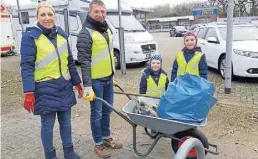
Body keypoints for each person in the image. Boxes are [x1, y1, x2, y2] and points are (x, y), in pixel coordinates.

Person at [20, 2, 82, 159]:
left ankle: (69, 151)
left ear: (55, 16)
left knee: (66, 123)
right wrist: (29, 92)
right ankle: (50, 155)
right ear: (37, 17)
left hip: (65, 86)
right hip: (44, 88)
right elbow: (26, 67)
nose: (47, 18)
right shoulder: (30, 38)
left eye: (50, 14)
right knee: (47, 126)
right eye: (43, 15)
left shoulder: (62, 36)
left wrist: (77, 82)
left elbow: (69, 63)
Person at [76, 0, 122, 158]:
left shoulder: (105, 29)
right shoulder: (85, 33)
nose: (100, 14)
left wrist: (112, 75)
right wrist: (87, 86)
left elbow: (108, 56)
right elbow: (84, 61)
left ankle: (106, 137)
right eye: (97, 11)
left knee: (107, 111)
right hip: (95, 81)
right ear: (90, 13)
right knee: (96, 113)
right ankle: (98, 144)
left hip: (108, 79)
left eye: (103, 11)